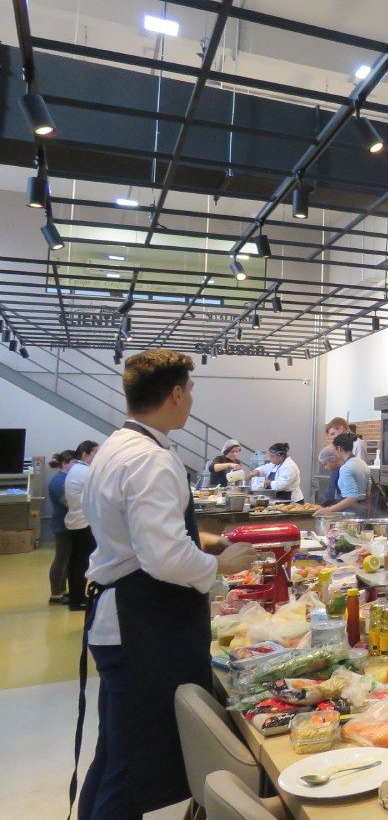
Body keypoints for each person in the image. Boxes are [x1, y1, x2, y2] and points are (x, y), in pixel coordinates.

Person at [73, 349, 254, 820]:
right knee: (135, 763)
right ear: (176, 394)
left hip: (124, 615)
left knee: (116, 751)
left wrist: (203, 539)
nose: (191, 399)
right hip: (142, 624)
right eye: (190, 390)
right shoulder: (151, 460)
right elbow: (165, 557)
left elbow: (138, 533)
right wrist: (222, 566)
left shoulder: (117, 446)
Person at [64, 440, 100, 611]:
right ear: (85, 454)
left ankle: (75, 595)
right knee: (82, 561)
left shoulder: (75, 470)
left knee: (75, 559)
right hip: (84, 522)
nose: (98, 457)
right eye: (95, 453)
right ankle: (78, 599)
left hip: (75, 520)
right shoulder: (85, 472)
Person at [47, 450, 74, 605]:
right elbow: (68, 503)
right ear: (64, 464)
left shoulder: (66, 479)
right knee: (61, 559)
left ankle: (62, 590)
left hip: (66, 523)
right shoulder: (59, 482)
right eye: (73, 463)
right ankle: (55, 594)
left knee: (66, 559)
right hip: (61, 524)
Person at [327, 432, 371, 514]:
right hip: (362, 510)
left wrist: (328, 510)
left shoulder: (346, 468)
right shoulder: (362, 463)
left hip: (349, 513)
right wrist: (368, 513)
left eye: (334, 450)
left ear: (339, 448)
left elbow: (352, 498)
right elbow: (368, 493)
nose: (334, 453)